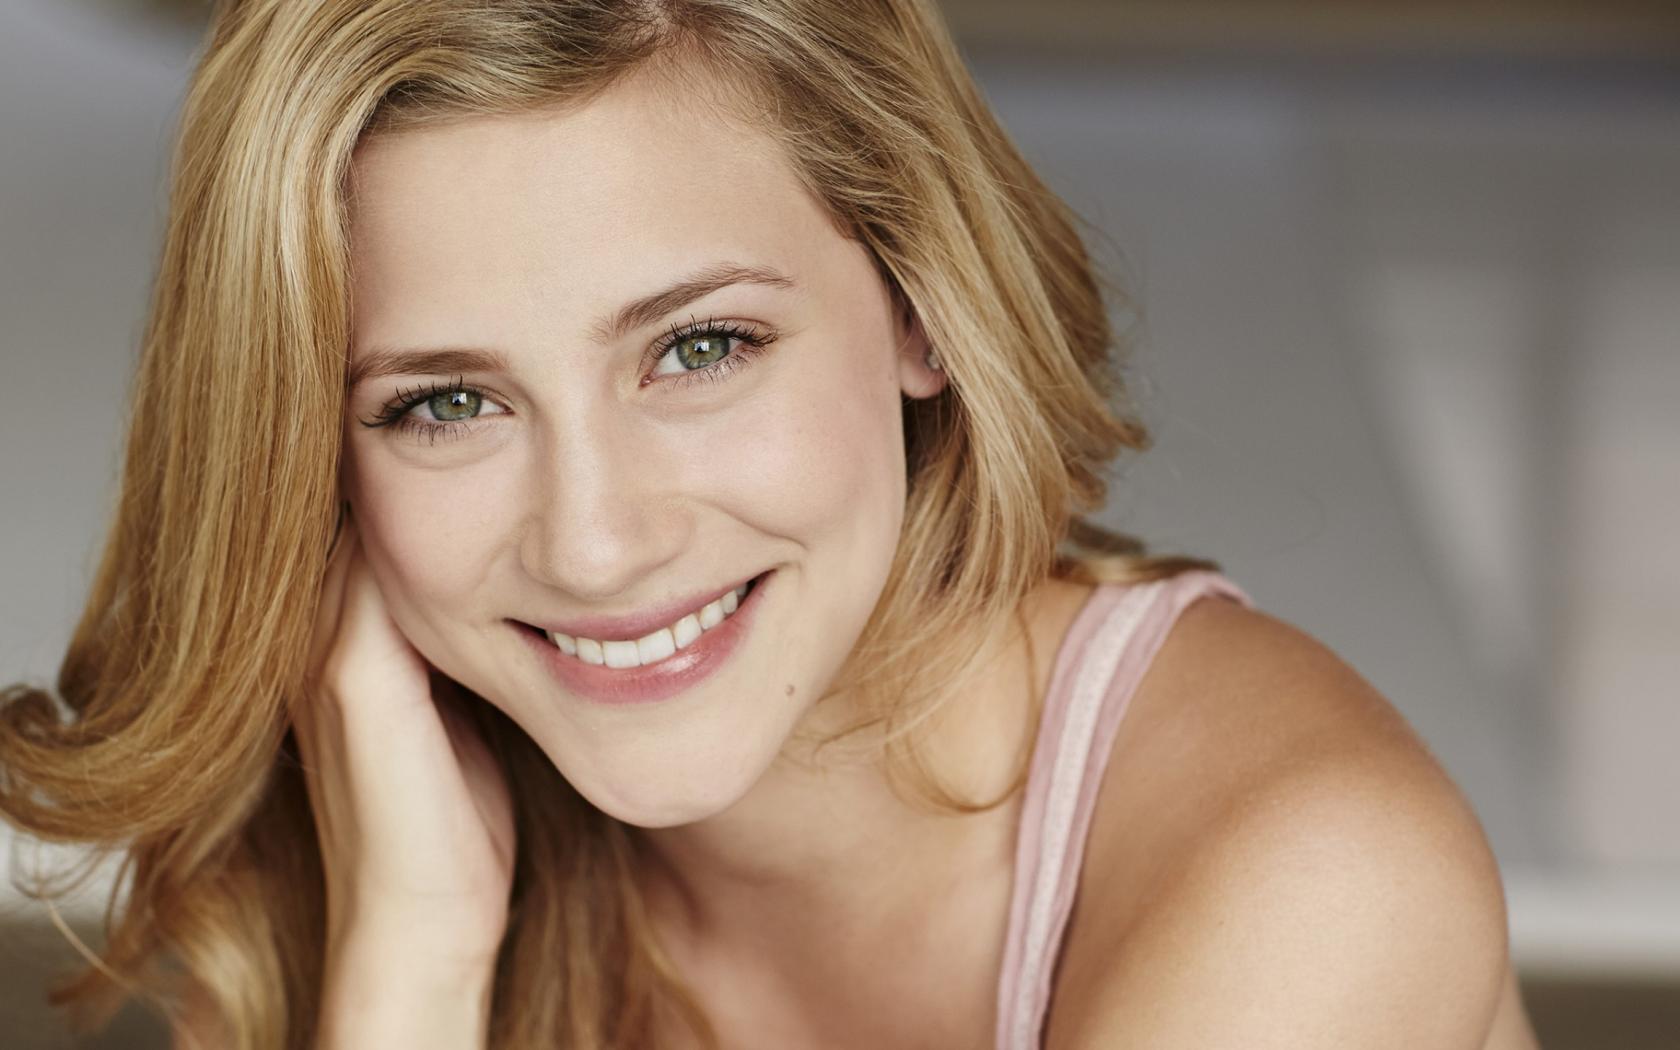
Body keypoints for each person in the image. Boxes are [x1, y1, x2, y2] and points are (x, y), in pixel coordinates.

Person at [0, 1, 1540, 1048]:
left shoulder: (1313, 883)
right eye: (445, 403)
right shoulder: (406, 841)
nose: (595, 543)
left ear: (922, 302)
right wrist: (413, 954)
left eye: (700, 347)